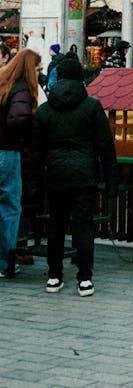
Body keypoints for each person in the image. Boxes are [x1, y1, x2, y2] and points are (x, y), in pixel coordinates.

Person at [31, 53, 118, 297]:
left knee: (56, 225)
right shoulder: (92, 106)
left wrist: (36, 186)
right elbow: (105, 147)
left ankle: (54, 276)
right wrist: (112, 182)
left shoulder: (46, 110)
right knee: (83, 226)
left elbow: (37, 153)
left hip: (56, 175)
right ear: (80, 79)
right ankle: (85, 279)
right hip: (84, 175)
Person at [0, 48, 40, 278]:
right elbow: (18, 117)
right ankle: (5, 262)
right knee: (10, 208)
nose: (39, 72)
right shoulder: (21, 88)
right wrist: (26, 137)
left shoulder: (3, 83)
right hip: (7, 153)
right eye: (37, 68)